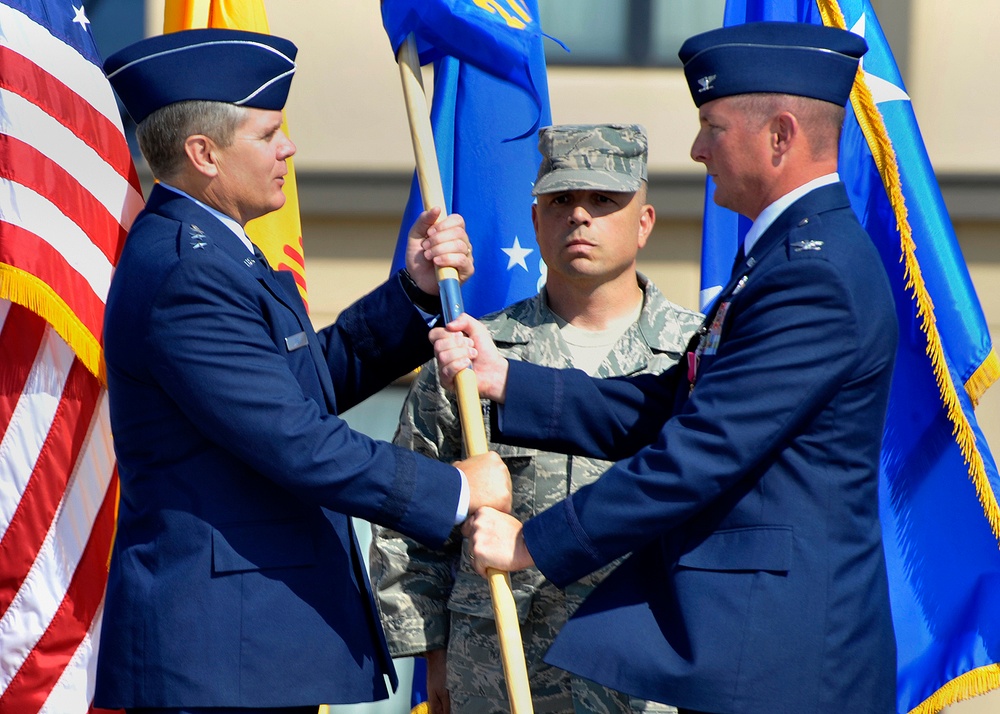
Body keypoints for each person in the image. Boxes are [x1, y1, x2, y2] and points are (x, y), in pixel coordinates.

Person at [434, 22, 899, 714]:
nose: (697, 149)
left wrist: (533, 540)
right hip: (753, 651)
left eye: (712, 126)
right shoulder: (784, 260)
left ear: (779, 136)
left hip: (783, 664)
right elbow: (672, 406)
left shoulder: (813, 277)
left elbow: (699, 451)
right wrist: (507, 380)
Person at [94, 29, 510, 714]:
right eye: (267, 134)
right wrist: (451, 490)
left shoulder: (220, 254)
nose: (287, 147)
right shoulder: (185, 271)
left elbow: (304, 384)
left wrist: (412, 294)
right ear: (204, 153)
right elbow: (295, 439)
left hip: (249, 645)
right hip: (221, 654)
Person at [370, 124, 703, 714]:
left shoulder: (697, 358)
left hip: (645, 680)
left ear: (645, 222)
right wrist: (434, 659)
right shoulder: (470, 356)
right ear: (535, 221)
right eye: (561, 202)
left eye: (603, 201)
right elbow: (410, 509)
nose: (580, 216)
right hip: (496, 671)